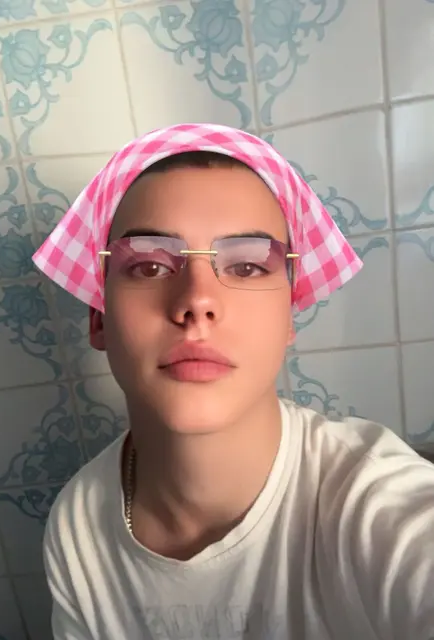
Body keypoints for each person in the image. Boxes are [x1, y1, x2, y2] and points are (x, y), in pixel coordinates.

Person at [33, 123, 434, 640]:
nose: (197, 300)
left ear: (289, 315)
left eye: (246, 266)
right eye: (150, 266)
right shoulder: (77, 526)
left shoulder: (377, 505)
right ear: (99, 319)